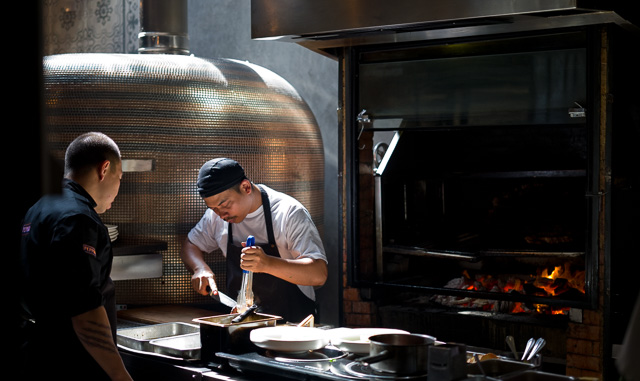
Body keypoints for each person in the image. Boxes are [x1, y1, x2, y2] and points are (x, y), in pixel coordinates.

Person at [18, 132, 132, 381]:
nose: (117, 189)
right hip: (70, 362)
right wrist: (119, 374)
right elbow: (85, 309)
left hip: (36, 352)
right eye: (120, 178)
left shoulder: (38, 208)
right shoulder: (78, 218)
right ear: (105, 169)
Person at [181, 158, 328, 323]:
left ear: (246, 187)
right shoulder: (216, 217)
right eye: (213, 209)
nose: (221, 214)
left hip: (292, 327)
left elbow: (319, 273)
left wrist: (267, 263)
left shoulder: (289, 213)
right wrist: (200, 268)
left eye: (224, 205)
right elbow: (191, 244)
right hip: (243, 325)